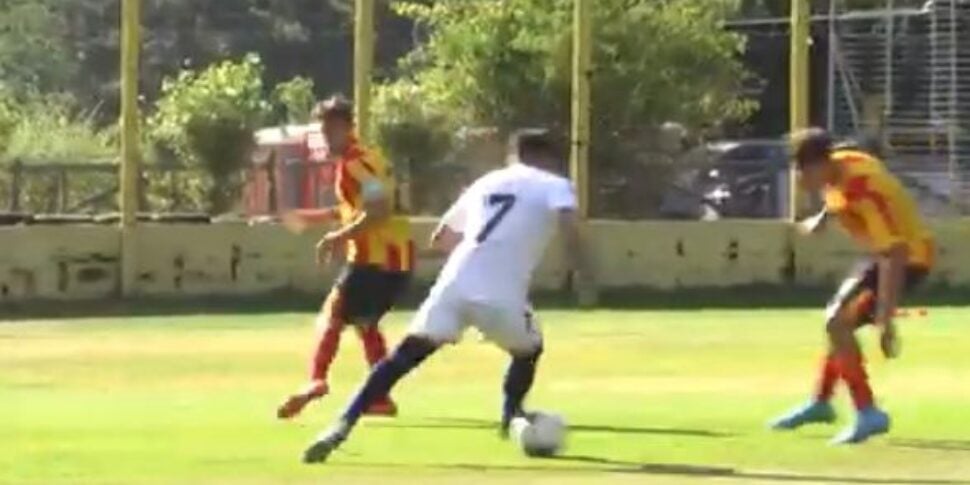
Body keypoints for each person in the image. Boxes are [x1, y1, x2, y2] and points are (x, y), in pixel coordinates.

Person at [301, 128, 595, 464]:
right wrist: (584, 271)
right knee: (529, 348)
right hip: (501, 293)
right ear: (543, 157)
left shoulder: (486, 183)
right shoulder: (554, 184)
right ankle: (511, 415)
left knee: (402, 358)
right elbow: (571, 224)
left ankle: (340, 425)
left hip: (454, 284)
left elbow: (441, 237)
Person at [770, 128, 934, 444]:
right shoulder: (842, 163)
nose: (799, 178)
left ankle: (868, 412)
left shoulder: (864, 190)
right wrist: (824, 217)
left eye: (802, 169)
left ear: (819, 164)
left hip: (908, 261)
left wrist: (886, 320)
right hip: (883, 255)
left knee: (836, 322)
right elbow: (839, 195)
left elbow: (895, 253)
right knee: (837, 325)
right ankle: (821, 403)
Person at [275, 95, 414, 420]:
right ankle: (379, 398)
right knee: (366, 323)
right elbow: (360, 206)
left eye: (326, 131)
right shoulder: (369, 157)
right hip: (398, 261)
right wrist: (315, 218)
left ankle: (316, 380)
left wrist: (337, 236)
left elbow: (378, 211)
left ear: (342, 127)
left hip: (375, 259)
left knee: (331, 315)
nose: (323, 139)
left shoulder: (354, 163)